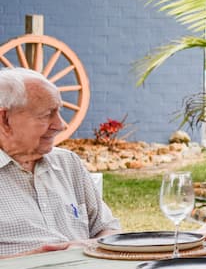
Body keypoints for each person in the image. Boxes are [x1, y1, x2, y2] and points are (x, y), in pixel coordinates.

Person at [0, 68, 119, 257]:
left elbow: (109, 230)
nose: (61, 125)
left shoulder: (67, 162)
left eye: (58, 112)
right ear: (5, 119)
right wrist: (27, 262)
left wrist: (87, 246)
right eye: (46, 115)